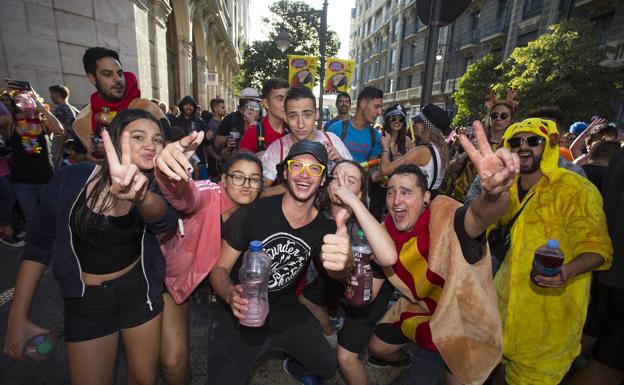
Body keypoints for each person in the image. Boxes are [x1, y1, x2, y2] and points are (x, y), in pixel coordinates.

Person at [4, 109, 177, 385]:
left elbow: (165, 221)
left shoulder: (155, 187)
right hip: (86, 302)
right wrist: (17, 317)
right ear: (115, 140)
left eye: (157, 140)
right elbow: (38, 245)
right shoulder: (72, 179)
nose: (150, 145)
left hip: (138, 293)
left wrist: (141, 198)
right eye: (138, 136)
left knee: (144, 379)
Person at [368, 119, 518, 384]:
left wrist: (494, 194)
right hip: (421, 308)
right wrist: (345, 267)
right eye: (391, 192)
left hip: (464, 319)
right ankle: (410, 364)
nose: (396, 201)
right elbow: (367, 292)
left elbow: (480, 216)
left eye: (406, 192)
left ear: (426, 198)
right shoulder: (384, 232)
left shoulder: (447, 215)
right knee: (378, 348)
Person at [206, 140, 352, 385]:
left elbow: (337, 275)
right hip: (239, 305)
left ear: (323, 179)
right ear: (284, 173)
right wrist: (231, 294)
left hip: (283, 306)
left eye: (314, 169)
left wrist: (345, 265)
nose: (305, 175)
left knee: (327, 366)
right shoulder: (252, 213)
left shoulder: (325, 228)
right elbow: (219, 269)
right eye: (297, 167)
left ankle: (291, 360)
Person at [489, 118, 612, 385]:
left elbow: (598, 249)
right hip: (500, 314)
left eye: (533, 141)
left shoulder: (574, 188)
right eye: (516, 142)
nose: (524, 147)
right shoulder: (503, 186)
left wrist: (567, 271)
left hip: (547, 324)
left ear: (551, 144)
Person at [154, 133, 264, 385]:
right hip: (174, 282)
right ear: (223, 179)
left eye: (254, 179)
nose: (246, 184)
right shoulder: (206, 194)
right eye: (238, 176)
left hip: (215, 292)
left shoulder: (253, 214)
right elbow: (186, 196)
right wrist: (171, 174)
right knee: (173, 361)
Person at [299, 159, 397, 385]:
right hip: (335, 280)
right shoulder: (317, 213)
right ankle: (331, 334)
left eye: (350, 181)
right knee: (305, 300)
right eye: (336, 178)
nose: (341, 184)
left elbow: (388, 258)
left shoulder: (366, 222)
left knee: (346, 358)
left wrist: (353, 201)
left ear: (361, 193)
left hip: (368, 289)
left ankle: (342, 344)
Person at [567, 147, 624, 385]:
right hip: (615, 276)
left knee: (576, 349)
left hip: (604, 272)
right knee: (607, 370)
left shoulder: (619, 156)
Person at [73, 47, 169, 163]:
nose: (118, 79)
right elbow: (78, 157)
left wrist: (118, 151)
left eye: (120, 73)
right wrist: (89, 157)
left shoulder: (147, 108)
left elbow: (170, 148)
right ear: (92, 78)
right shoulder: (83, 121)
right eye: (107, 74)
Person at [261, 87, 351, 195]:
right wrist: (293, 184)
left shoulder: (332, 140)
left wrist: (340, 162)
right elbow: (259, 192)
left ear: (317, 114)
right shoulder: (276, 149)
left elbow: (356, 180)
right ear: (285, 116)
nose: (301, 124)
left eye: (307, 115)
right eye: (293, 116)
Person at [3, 81, 64, 230]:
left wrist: (40, 105)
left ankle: (55, 249)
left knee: (51, 217)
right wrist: (3, 91)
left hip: (46, 179)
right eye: (18, 99)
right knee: (32, 219)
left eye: (26, 98)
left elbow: (60, 131)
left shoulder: (43, 122)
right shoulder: (10, 122)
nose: (23, 102)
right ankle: (38, 250)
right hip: (22, 182)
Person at [380, 103, 450, 192]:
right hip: (432, 197)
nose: (414, 124)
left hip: (422, 200)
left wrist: (385, 148)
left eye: (418, 121)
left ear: (425, 126)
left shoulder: (423, 151)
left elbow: (385, 170)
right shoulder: (440, 148)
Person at [327, 86, 382, 164]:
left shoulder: (375, 136)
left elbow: (372, 167)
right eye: (376, 107)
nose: (379, 112)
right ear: (363, 104)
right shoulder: (335, 129)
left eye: (380, 108)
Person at [239, 78, 290, 155]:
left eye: (288, 99)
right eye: (280, 99)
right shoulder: (253, 133)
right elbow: (242, 165)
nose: (286, 104)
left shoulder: (293, 130)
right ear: (266, 103)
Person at [214, 87, 261, 154]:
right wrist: (230, 139)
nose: (257, 104)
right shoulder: (231, 118)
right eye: (255, 101)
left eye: (258, 102)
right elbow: (217, 142)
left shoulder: (259, 118)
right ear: (246, 101)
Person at [49, 84, 80, 167]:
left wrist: (58, 154)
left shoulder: (61, 110)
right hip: (74, 151)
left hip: (64, 151)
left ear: (57, 94)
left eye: (51, 94)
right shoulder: (75, 110)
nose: (50, 96)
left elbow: (63, 132)